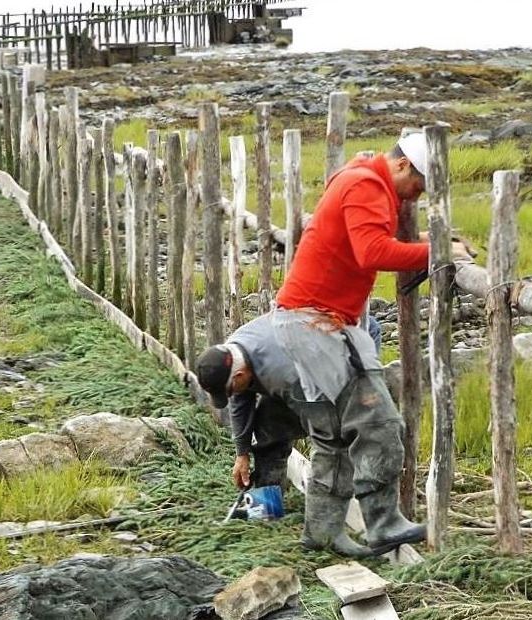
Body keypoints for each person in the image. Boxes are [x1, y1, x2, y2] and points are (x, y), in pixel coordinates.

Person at [270, 131, 472, 556]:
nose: (416, 198)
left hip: (306, 319)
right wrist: (436, 249)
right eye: (417, 185)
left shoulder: (357, 176)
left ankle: (322, 533)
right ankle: (382, 522)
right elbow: (372, 251)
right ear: (401, 165)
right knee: (379, 424)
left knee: (332, 434)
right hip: (316, 323)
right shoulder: (365, 185)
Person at [196, 314, 373, 558]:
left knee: (334, 445)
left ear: (239, 377)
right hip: (301, 354)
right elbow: (240, 403)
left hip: (347, 348)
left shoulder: (284, 373)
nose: (232, 394)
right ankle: (268, 505)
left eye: (230, 390)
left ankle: (328, 529)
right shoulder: (234, 354)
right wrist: (242, 453)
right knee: (269, 426)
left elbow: (324, 434)